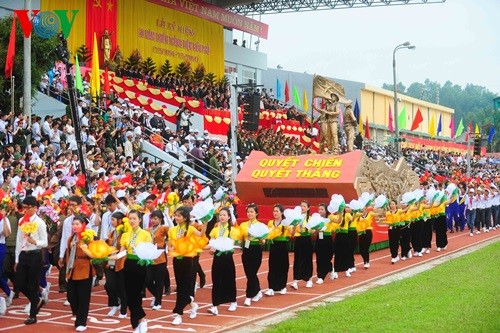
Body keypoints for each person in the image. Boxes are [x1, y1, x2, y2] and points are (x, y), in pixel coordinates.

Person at [168, 206, 206, 325]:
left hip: (187, 260)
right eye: (175, 215)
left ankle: (178, 313)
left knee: (183, 286)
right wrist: (173, 248)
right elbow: (170, 245)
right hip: (177, 260)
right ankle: (192, 303)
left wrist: (205, 222)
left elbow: (200, 235)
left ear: (185, 218)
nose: (176, 218)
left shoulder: (189, 229)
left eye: (179, 216)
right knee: (180, 285)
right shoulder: (172, 230)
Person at [14, 196, 48, 325]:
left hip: (35, 254)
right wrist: (17, 258)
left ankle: (33, 315)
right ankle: (37, 300)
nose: (26, 210)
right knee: (19, 283)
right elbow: (18, 240)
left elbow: (45, 242)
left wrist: (35, 242)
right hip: (23, 254)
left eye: (28, 207)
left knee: (33, 284)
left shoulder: (39, 222)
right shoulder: (22, 220)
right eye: (24, 207)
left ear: (35, 208)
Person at [119, 209, 151, 333]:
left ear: (139, 220)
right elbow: (122, 252)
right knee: (128, 296)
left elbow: (148, 251)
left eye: (134, 218)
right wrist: (106, 256)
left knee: (136, 294)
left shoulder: (145, 234)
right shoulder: (125, 234)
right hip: (128, 265)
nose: (132, 221)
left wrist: (145, 259)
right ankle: (139, 322)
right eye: (130, 218)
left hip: (140, 265)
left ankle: (141, 321)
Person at [65, 215, 95, 332]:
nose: (75, 226)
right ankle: (78, 314)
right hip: (72, 268)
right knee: (71, 296)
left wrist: (85, 248)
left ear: (83, 225)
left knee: (83, 297)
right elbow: (68, 253)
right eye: (73, 224)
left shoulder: (87, 238)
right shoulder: (71, 238)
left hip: (84, 268)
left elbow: (92, 254)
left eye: (77, 224)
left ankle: (81, 321)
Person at [207, 207, 239, 315]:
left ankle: (233, 301)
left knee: (229, 279)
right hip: (217, 257)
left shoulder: (232, 230)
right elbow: (211, 243)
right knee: (216, 280)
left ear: (229, 217)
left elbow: (232, 244)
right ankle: (215, 305)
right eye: (220, 215)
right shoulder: (215, 230)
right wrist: (211, 249)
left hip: (227, 257)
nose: (222, 217)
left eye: (224, 215)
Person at [239, 204, 265, 306]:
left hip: (256, 249)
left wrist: (259, 238)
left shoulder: (260, 225)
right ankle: (257, 290)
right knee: (248, 272)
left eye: (252, 212)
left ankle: (248, 296)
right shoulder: (243, 225)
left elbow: (263, 242)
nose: (249, 214)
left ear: (256, 213)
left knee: (252, 272)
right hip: (246, 249)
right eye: (248, 212)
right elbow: (241, 239)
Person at [104, 212, 127, 319]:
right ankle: (114, 304)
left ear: (120, 221)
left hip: (121, 263)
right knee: (109, 285)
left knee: (122, 287)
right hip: (110, 262)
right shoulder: (112, 233)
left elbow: (124, 249)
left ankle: (123, 309)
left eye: (113, 220)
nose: (111, 222)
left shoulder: (125, 234)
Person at [265, 204, 290, 296]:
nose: (275, 213)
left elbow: (291, 233)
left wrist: (294, 225)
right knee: (272, 266)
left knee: (283, 266)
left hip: (282, 246)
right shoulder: (270, 222)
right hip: (273, 245)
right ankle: (271, 287)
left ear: (281, 212)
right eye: (274, 211)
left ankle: (282, 286)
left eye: (277, 211)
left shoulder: (285, 222)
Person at [146, 210, 169, 310]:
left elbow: (171, 234)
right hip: (150, 257)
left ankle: (158, 302)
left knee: (159, 281)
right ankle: (157, 296)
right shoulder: (147, 230)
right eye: (152, 218)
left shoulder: (163, 228)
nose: (153, 220)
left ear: (160, 220)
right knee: (148, 280)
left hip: (160, 257)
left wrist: (165, 244)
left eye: (155, 219)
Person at [291, 200, 313, 289]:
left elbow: (313, 231)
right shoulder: (297, 218)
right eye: (301, 206)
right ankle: (295, 280)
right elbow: (292, 232)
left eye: (304, 206)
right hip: (299, 239)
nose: (302, 208)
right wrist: (296, 225)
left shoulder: (310, 218)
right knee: (297, 260)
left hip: (307, 239)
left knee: (307, 259)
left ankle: (309, 279)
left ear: (308, 208)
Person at [314, 203, 335, 283]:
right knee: (319, 258)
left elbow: (338, 221)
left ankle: (330, 268)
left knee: (327, 257)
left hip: (327, 239)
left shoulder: (330, 217)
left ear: (326, 210)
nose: (320, 211)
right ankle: (320, 276)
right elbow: (314, 232)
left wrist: (340, 212)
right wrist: (317, 229)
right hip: (319, 238)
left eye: (322, 209)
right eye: (319, 209)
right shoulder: (316, 218)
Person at [0, 206, 13, 306]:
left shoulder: (4, 220)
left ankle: (7, 294)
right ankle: (9, 292)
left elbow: (7, 233)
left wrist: (4, 218)